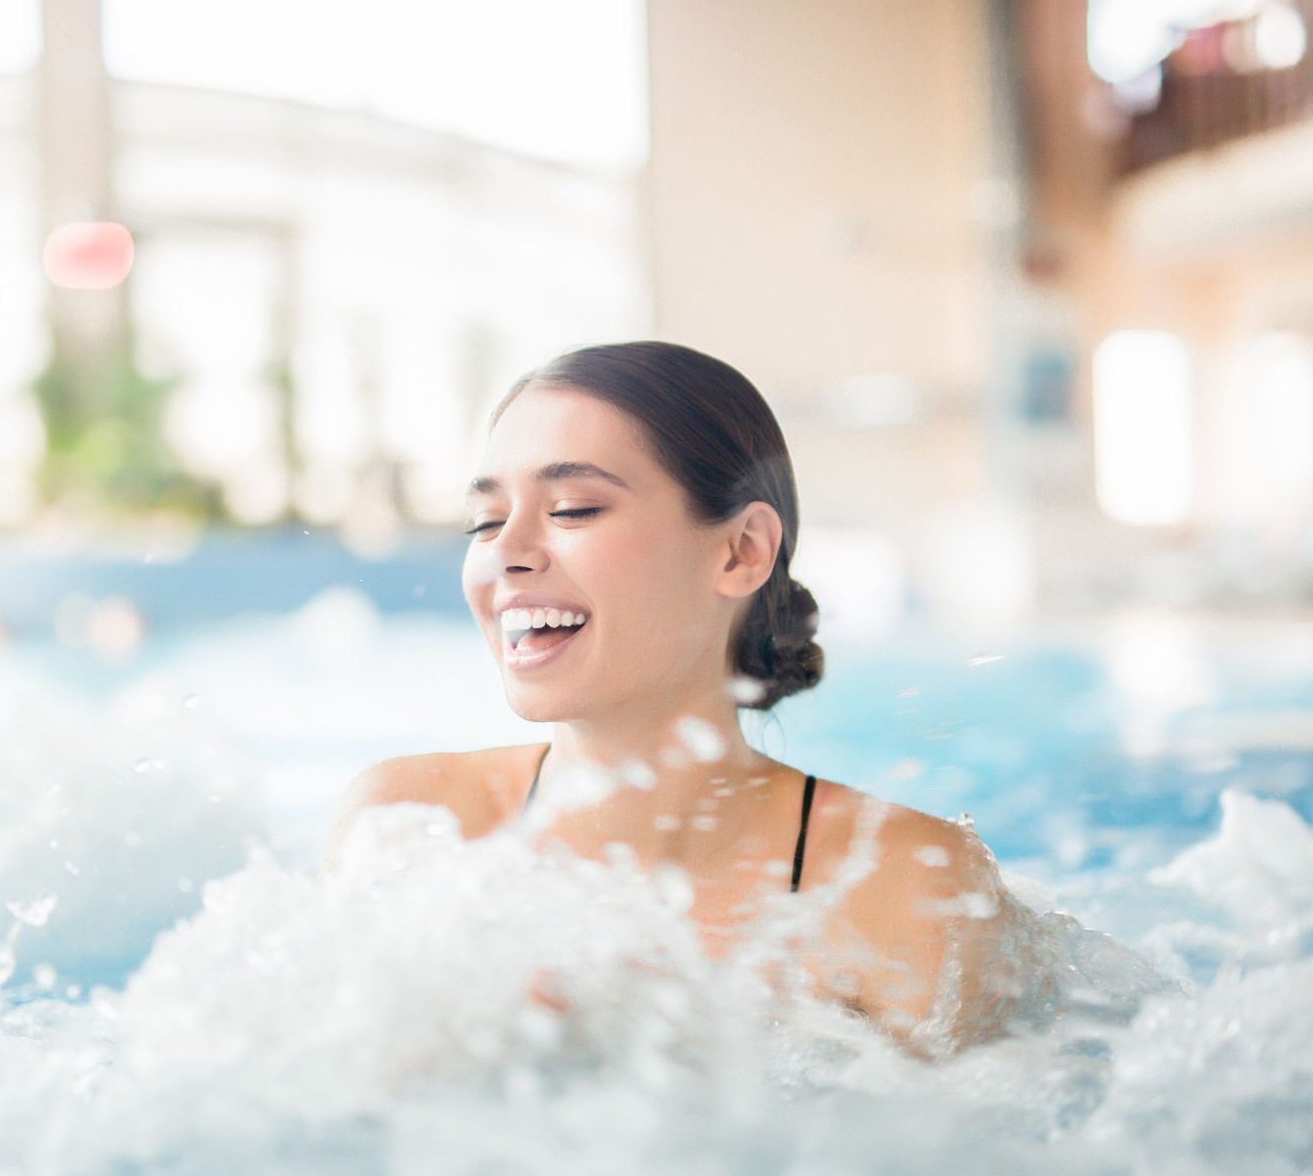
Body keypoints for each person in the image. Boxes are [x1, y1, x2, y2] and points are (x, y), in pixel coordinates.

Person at [327, 341, 1026, 1054]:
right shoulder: (416, 828)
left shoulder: (902, 883)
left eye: (573, 508)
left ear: (741, 551)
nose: (506, 551)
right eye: (485, 520)